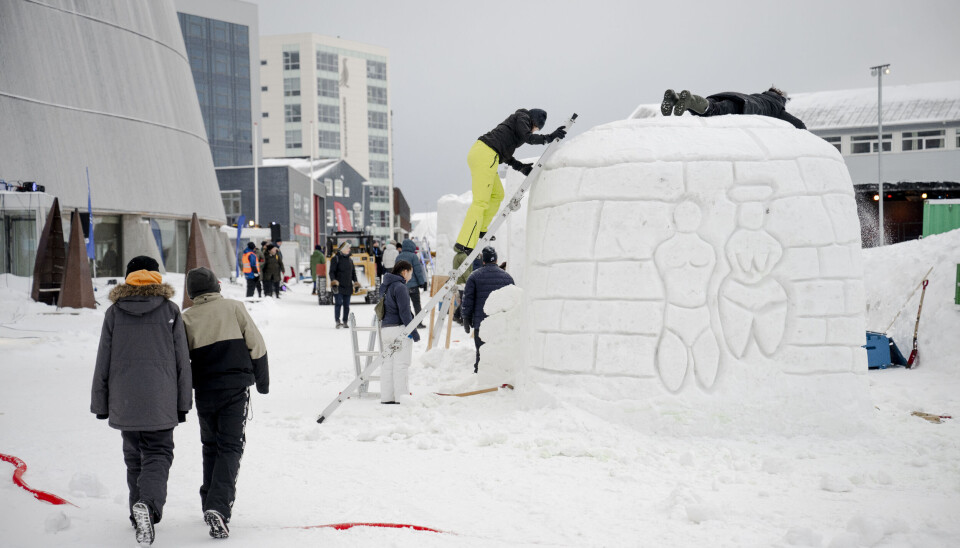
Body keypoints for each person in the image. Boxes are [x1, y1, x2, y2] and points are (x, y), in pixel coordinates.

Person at [90, 256, 192, 545]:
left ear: (128, 278)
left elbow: (103, 360)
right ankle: (148, 505)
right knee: (159, 454)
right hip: (161, 399)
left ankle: (138, 516)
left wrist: (100, 403)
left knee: (133, 457)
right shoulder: (170, 310)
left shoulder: (114, 312)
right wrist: (183, 402)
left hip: (124, 400)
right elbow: (182, 362)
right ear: (157, 277)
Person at [182, 267, 269, 540]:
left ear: (191, 292)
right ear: (216, 286)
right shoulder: (234, 307)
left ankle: (209, 500)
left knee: (211, 446)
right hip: (234, 389)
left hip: (205, 391)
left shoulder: (186, 319)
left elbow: (182, 362)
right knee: (231, 447)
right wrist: (263, 383)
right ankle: (219, 507)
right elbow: (257, 345)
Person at [453, 108, 567, 254]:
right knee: (480, 202)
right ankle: (465, 242)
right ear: (533, 120)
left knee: (497, 195)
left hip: (485, 154)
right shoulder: (522, 117)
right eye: (536, 128)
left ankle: (481, 229)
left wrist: (521, 167)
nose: (534, 131)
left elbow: (506, 154)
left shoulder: (514, 129)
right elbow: (529, 138)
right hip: (486, 154)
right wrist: (548, 137)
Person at [461, 247, 514, 373]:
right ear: (496, 259)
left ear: (483, 261)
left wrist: (466, 318)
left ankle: (480, 375)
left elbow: (468, 300)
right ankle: (498, 376)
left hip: (481, 324)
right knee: (499, 351)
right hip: (501, 323)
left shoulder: (474, 276)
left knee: (481, 353)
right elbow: (513, 300)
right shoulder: (507, 277)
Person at [378, 260, 421, 404]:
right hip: (399, 330)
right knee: (401, 365)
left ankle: (387, 397)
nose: (410, 276)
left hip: (385, 330)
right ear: (404, 271)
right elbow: (405, 313)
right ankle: (401, 398)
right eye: (410, 273)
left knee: (388, 365)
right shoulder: (400, 287)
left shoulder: (386, 286)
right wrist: (414, 332)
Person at [661, 87, 806, 129]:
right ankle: (688, 100)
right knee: (712, 110)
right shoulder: (776, 107)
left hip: (729, 95)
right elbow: (798, 124)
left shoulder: (759, 96)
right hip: (741, 105)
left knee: (707, 105)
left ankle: (676, 98)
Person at [396, 238, 427, 327]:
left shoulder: (398, 257)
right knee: (416, 304)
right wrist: (422, 282)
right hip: (413, 286)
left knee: (405, 305)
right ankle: (418, 323)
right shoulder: (413, 256)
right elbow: (418, 270)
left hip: (402, 286)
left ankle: (407, 322)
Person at [329, 242, 360, 328]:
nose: (349, 249)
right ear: (343, 249)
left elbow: (353, 273)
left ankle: (345, 321)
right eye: (348, 248)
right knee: (338, 303)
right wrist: (334, 282)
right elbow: (332, 272)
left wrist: (356, 283)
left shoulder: (350, 260)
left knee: (346, 305)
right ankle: (337, 321)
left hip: (348, 286)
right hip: (338, 287)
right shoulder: (336, 259)